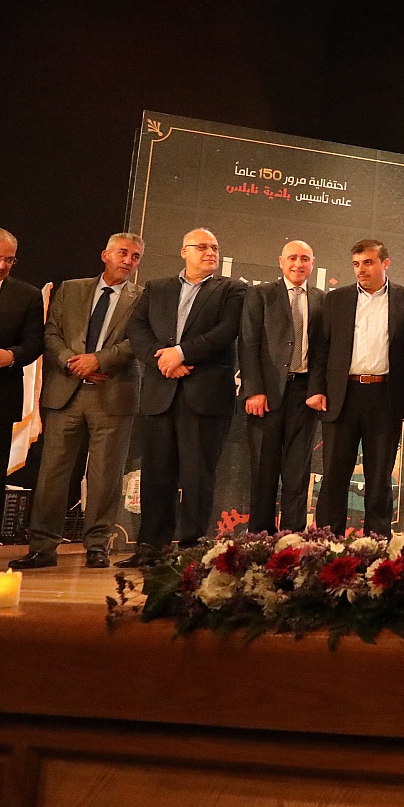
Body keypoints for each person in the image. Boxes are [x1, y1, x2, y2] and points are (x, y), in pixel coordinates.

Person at [9, 233, 144, 570]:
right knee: (52, 473)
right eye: (123, 253)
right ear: (105, 255)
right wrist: (72, 362)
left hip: (112, 393)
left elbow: (139, 342)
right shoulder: (71, 289)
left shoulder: (144, 298)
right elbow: (51, 332)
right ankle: (42, 547)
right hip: (65, 392)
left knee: (105, 475)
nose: (129, 261)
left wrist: (98, 361)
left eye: (136, 256)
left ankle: (97, 546)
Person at [121, 227, 246, 565]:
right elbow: (137, 329)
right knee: (156, 474)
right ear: (184, 252)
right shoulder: (157, 288)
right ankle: (151, 548)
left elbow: (226, 332)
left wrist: (181, 353)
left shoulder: (232, 289)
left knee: (198, 476)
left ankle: (192, 549)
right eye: (202, 247)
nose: (211, 252)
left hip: (205, 395)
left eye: (215, 247)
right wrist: (162, 360)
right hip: (161, 391)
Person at [308, 238, 404, 538]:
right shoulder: (336, 299)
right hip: (342, 396)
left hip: (385, 397)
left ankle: (377, 541)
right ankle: (327, 540)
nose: (361, 270)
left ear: (386, 263)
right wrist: (317, 389)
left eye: (368, 263)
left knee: (380, 476)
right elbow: (321, 349)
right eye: (356, 264)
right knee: (334, 473)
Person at [238, 239, 325, 535]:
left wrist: (317, 389)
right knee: (264, 470)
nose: (298, 264)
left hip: (305, 395)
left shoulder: (322, 299)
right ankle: (260, 537)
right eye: (292, 258)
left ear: (312, 263)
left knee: (297, 471)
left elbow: (324, 350)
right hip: (267, 394)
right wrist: (254, 390)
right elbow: (248, 343)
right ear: (281, 261)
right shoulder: (260, 294)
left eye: (304, 258)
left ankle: (292, 537)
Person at [0, 229, 45, 572]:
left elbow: (35, 344)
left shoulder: (26, 296)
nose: (2, 265)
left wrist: (10, 357)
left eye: (9, 260)